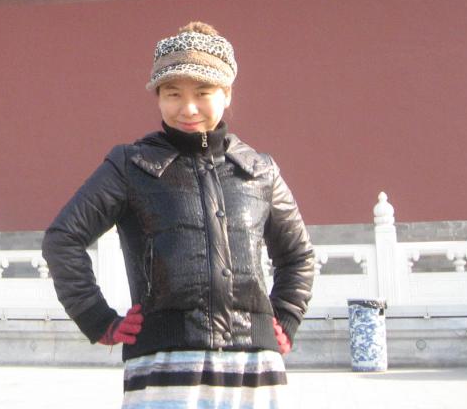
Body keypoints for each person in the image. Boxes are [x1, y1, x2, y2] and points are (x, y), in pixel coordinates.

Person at [42, 22, 314, 408]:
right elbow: (62, 238)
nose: (188, 108)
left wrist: (285, 316)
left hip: (253, 367)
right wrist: (98, 319)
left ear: (226, 93)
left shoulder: (259, 170)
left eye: (203, 93)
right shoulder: (131, 165)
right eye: (173, 94)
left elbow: (298, 255)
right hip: (164, 367)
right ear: (158, 97)